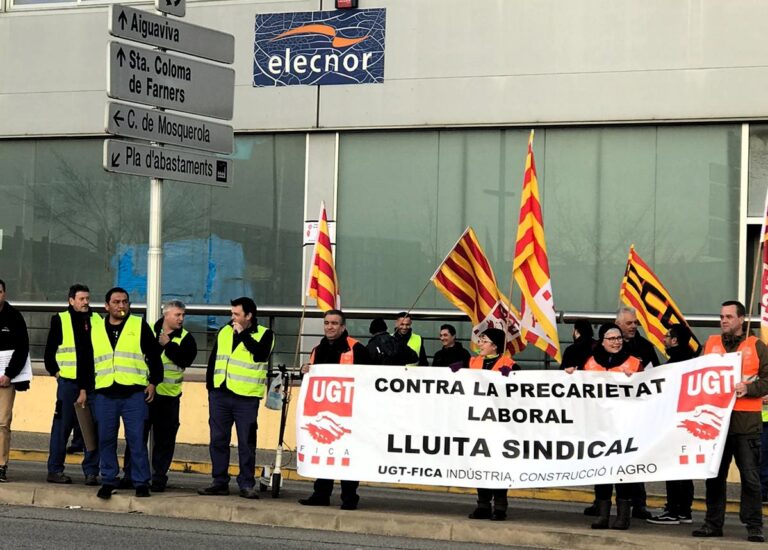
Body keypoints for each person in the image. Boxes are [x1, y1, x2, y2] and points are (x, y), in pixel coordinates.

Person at [693, 300, 768, 543]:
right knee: (714, 477)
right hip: (715, 425)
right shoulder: (711, 344)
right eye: (721, 316)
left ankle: (754, 526)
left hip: (745, 424)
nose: (723, 320)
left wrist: (749, 387)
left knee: (750, 478)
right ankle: (713, 524)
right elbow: (693, 374)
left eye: (728, 316)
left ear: (741, 319)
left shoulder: (757, 346)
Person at [79, 287, 163, 500]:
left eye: (125, 302)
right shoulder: (96, 328)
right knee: (106, 439)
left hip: (134, 394)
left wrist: (153, 382)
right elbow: (87, 361)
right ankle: (108, 480)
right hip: (105, 393)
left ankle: (141, 482)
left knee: (136, 440)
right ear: (107, 306)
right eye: (116, 302)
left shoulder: (138, 325)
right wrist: (83, 389)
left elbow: (154, 355)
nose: (121, 306)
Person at [198, 297, 274, 500]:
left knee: (246, 442)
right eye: (232, 314)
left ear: (249, 316)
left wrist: (243, 335)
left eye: (237, 314)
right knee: (218, 439)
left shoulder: (264, 334)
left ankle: (246, 484)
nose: (233, 318)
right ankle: (219, 481)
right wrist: (211, 388)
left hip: (246, 398)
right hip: (220, 394)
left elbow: (260, 355)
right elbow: (214, 359)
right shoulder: (224, 331)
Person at [299, 309, 370, 510]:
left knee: (348, 456)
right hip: (323, 412)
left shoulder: (357, 348)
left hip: (350, 414)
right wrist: (304, 371)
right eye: (327, 323)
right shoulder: (317, 349)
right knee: (324, 453)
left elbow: (368, 378)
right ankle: (321, 494)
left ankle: (349, 498)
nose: (330, 327)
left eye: (334, 323)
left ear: (343, 326)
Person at [123, 300, 197, 492]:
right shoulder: (148, 331)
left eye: (182, 315)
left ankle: (158, 477)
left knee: (164, 440)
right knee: (137, 436)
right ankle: (130, 475)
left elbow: (185, 359)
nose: (181, 319)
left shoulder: (186, 338)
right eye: (177, 315)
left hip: (169, 397)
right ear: (166, 315)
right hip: (145, 394)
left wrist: (168, 344)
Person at [584, 323, 641, 531]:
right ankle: (603, 515)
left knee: (622, 471)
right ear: (602, 341)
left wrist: (636, 380)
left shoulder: (634, 363)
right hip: (599, 427)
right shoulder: (590, 363)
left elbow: (648, 392)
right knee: (602, 471)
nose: (616, 342)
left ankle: (623, 516)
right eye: (611, 338)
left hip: (624, 426)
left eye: (618, 338)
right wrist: (570, 374)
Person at [44, 283, 100, 486]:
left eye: (87, 298)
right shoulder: (60, 319)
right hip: (68, 384)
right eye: (82, 299)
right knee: (62, 428)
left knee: (91, 430)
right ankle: (55, 470)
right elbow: (49, 352)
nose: (86, 302)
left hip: (92, 384)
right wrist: (57, 374)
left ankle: (91, 472)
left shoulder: (96, 320)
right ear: (71, 301)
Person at [466, 328, 518, 520]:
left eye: (484, 341)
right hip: (478, 423)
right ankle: (483, 504)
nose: (479, 344)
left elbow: (521, 393)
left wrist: (511, 377)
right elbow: (448, 374)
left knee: (499, 465)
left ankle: (500, 505)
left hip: (500, 425)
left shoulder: (510, 365)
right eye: (479, 340)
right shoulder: (472, 362)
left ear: (495, 346)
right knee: (481, 463)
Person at [648, 323, 695, 525]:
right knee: (685, 468)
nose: (665, 339)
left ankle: (674, 510)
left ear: (675, 340)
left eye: (667, 336)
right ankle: (684, 510)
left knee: (673, 466)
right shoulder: (692, 360)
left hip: (674, 422)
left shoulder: (674, 362)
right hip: (688, 421)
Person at [615, 306, 658, 519]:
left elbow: (655, 376)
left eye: (635, 323)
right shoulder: (604, 348)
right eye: (629, 323)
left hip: (637, 413)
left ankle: (639, 504)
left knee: (635, 459)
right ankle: (601, 503)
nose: (633, 326)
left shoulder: (645, 347)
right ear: (618, 325)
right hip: (611, 415)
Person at [0, 279, 30, 483]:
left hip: (5, 380)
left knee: (2, 423)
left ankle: (1, 465)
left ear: (4, 293)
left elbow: (22, 348)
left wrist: (9, 374)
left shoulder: (14, 317)